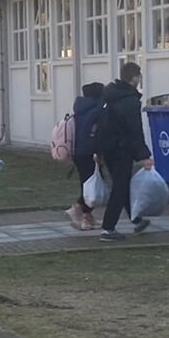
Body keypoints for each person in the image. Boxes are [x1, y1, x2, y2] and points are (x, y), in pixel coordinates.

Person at [94, 62, 153, 242]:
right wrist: (144, 156)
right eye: (139, 76)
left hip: (109, 148)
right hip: (122, 149)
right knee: (119, 188)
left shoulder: (109, 95)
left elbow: (101, 124)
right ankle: (108, 228)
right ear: (134, 77)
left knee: (122, 185)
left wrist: (99, 150)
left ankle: (136, 219)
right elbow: (134, 130)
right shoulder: (129, 100)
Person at [65, 81, 106, 230]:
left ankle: (88, 216)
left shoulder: (81, 108)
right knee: (91, 186)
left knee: (88, 184)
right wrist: (98, 152)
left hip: (79, 151)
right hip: (90, 152)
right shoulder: (96, 110)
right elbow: (96, 133)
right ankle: (78, 210)